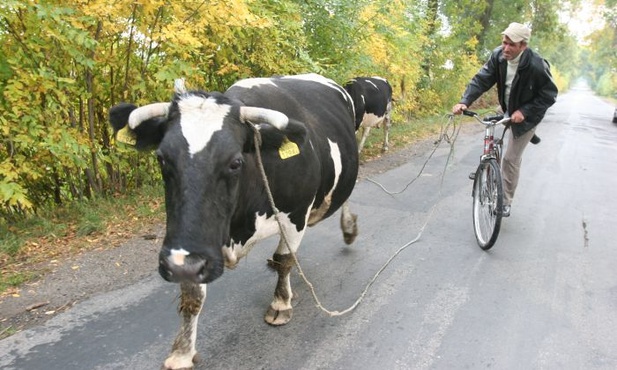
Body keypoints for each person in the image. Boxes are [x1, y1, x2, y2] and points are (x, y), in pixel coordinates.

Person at [452, 22, 558, 217]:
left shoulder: (535, 65)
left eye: (512, 45)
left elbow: (549, 95)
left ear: (523, 46)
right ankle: (488, 166)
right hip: (507, 107)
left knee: (510, 158)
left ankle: (505, 201)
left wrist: (524, 112)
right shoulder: (498, 56)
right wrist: (465, 101)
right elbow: (481, 79)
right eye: (504, 43)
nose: (506, 48)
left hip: (527, 116)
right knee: (491, 128)